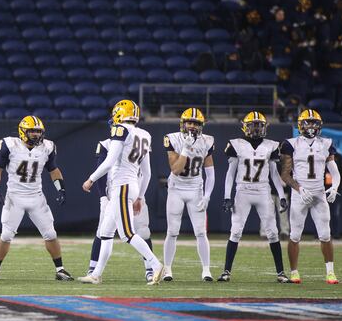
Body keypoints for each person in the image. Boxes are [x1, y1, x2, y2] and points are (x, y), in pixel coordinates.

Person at [79, 100, 164, 285]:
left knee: (127, 233)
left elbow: (109, 161)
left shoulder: (121, 130)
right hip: (131, 185)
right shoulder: (145, 134)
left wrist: (91, 179)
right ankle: (96, 274)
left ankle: (156, 264)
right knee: (105, 232)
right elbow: (147, 173)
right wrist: (140, 196)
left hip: (122, 186)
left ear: (119, 114)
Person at [0, 116, 72, 281]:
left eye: (38, 131)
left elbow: (53, 170)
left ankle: (60, 269)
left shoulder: (47, 147)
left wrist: (60, 189)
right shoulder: (10, 145)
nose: (35, 134)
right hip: (15, 197)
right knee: (6, 235)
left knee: (51, 234)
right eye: (32, 131)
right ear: (22, 131)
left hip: (36, 197)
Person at [218, 112, 291, 283]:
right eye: (253, 125)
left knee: (273, 232)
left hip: (263, 191)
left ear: (265, 127)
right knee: (235, 231)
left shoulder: (271, 145)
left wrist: (281, 195)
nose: (256, 129)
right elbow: (230, 174)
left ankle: (281, 273)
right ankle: (226, 271)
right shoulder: (237, 144)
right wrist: (227, 196)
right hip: (243, 191)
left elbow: (275, 174)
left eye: (259, 126)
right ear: (245, 126)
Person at [279, 109, 340, 284]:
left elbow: (334, 171)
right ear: (300, 124)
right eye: (308, 122)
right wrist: (299, 188)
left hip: (319, 193)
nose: (311, 126)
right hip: (300, 195)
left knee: (326, 235)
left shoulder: (326, 144)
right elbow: (285, 174)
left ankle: (330, 272)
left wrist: (334, 187)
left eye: (314, 122)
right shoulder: (291, 144)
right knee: (295, 235)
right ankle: (294, 272)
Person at [162, 108, 216, 282]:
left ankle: (206, 270)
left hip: (195, 189)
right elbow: (176, 170)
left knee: (201, 232)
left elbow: (211, 173)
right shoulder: (172, 138)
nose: (192, 126)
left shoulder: (207, 141)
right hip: (176, 188)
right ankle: (168, 269)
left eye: (196, 123)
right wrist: (185, 148)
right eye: (189, 122)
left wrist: (207, 195)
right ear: (183, 123)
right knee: (172, 231)